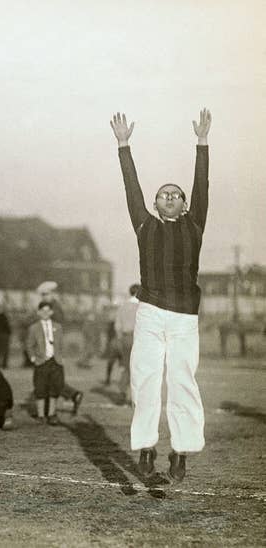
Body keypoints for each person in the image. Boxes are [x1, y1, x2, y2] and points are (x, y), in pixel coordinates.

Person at [111, 108, 211, 482]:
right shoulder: (144, 226)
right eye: (162, 195)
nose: (169, 197)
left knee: (183, 380)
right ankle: (147, 447)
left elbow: (202, 186)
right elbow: (131, 188)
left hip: (185, 317)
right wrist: (124, 146)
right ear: (154, 205)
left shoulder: (195, 225)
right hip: (151, 312)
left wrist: (202, 143)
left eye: (175, 195)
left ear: (185, 205)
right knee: (145, 378)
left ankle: (181, 451)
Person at [26, 301, 65, 425]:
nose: (45, 313)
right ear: (38, 312)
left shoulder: (58, 326)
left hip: (55, 361)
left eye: (48, 311)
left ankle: (52, 414)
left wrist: (60, 357)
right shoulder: (34, 327)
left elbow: (61, 344)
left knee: (55, 387)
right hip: (41, 361)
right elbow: (29, 345)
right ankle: (41, 415)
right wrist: (33, 358)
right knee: (40, 387)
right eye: (42, 311)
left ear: (52, 312)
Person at [114, 284, 141, 405]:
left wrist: (120, 339)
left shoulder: (122, 306)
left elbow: (117, 326)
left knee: (125, 366)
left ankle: (122, 393)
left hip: (125, 338)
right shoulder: (142, 307)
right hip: (138, 339)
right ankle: (135, 397)